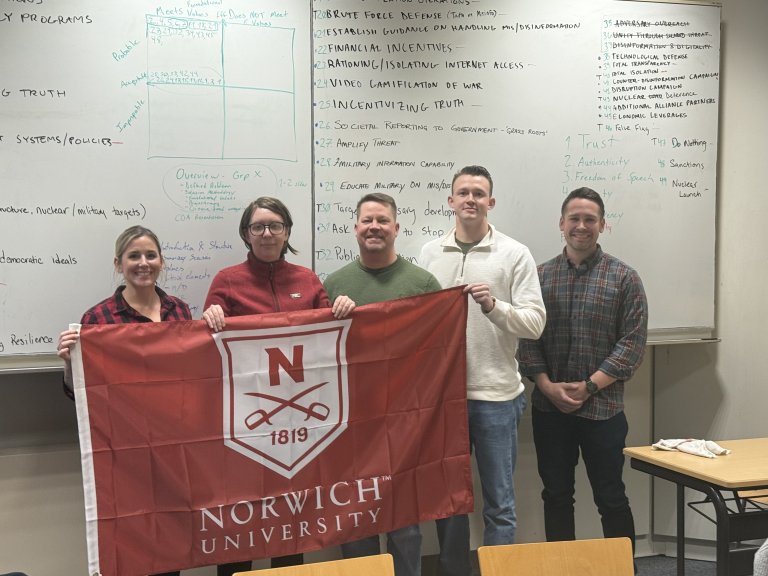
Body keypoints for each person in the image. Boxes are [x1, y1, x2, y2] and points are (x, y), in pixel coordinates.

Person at [202, 196, 353, 575]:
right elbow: (207, 349)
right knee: (241, 515)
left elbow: (330, 338)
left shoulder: (307, 279)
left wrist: (342, 309)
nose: (267, 233)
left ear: (287, 232)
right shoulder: (227, 280)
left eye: (275, 226)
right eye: (258, 227)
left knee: (291, 516)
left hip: (298, 429)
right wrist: (210, 317)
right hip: (245, 424)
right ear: (246, 233)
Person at [419, 165, 546, 576]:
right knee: (450, 504)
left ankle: (498, 572)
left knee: (500, 502)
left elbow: (535, 323)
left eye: (479, 193)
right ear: (450, 201)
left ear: (490, 202)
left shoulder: (515, 253)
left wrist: (494, 307)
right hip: (444, 399)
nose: (470, 199)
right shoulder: (428, 254)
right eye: (463, 192)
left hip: (496, 396)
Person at [518, 187, 648, 555]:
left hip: (603, 411)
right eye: (574, 218)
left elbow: (632, 344)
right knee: (556, 496)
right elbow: (528, 340)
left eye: (589, 219)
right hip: (549, 411)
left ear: (602, 225)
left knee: (611, 497)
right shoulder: (538, 277)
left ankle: (625, 568)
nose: (581, 226)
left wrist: (589, 387)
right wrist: (546, 386)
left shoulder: (625, 279)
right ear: (561, 224)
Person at [57, 225, 192, 576]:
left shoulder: (180, 312)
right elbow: (82, 396)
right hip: (124, 452)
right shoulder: (97, 320)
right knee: (130, 542)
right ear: (118, 264)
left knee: (170, 544)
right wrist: (72, 365)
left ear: (161, 261)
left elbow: (196, 378)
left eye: (150, 255)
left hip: (173, 449)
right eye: (134, 256)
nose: (143, 263)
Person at [323, 192, 442, 576]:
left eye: (383, 221)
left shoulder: (422, 281)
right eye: (367, 220)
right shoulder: (334, 283)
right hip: (350, 423)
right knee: (354, 517)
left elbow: (439, 347)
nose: (375, 227)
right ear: (355, 228)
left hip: (404, 422)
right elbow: (319, 354)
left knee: (404, 521)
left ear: (396, 228)